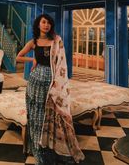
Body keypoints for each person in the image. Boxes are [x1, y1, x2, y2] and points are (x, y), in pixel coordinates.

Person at [16, 14, 84, 165]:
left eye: (49, 23)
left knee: (49, 113)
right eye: (43, 22)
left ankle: (50, 147)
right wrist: (32, 59)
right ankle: (37, 149)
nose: (46, 25)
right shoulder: (33, 42)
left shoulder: (56, 41)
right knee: (35, 114)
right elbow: (18, 57)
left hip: (52, 80)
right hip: (35, 81)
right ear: (38, 25)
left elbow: (62, 64)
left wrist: (57, 82)